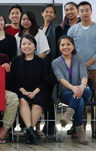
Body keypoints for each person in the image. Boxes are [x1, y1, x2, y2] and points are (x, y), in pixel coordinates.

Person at [52, 36, 90, 145]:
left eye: (68, 44)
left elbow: (84, 76)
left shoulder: (80, 59)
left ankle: (68, 114)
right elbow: (61, 79)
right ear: (59, 47)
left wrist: (81, 86)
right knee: (80, 100)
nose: (65, 47)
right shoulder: (55, 62)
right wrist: (73, 88)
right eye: (62, 45)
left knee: (84, 93)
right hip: (66, 93)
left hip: (84, 89)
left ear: (73, 46)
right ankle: (80, 132)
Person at [11, 34, 47, 144]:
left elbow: (45, 80)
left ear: (35, 46)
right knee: (23, 100)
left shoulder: (41, 62)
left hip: (38, 91)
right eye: (24, 44)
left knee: (37, 105)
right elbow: (14, 80)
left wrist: (35, 92)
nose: (27, 46)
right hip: (21, 91)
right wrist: (23, 91)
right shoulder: (16, 61)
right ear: (20, 46)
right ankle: (31, 131)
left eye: (29, 44)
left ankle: (29, 132)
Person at [67, 1, 96, 138]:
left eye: (87, 10)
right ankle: (81, 130)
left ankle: (95, 130)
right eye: (82, 11)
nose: (84, 13)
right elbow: (69, 50)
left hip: (95, 68)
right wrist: (81, 66)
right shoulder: (72, 30)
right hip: (78, 70)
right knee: (81, 98)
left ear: (91, 11)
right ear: (78, 13)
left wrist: (89, 63)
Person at [41, 4, 63, 136]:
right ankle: (45, 125)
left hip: (52, 68)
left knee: (50, 97)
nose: (48, 14)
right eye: (46, 12)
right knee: (43, 97)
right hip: (40, 70)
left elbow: (60, 49)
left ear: (54, 15)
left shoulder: (57, 29)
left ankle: (50, 125)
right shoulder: (38, 29)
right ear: (42, 14)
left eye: (51, 12)